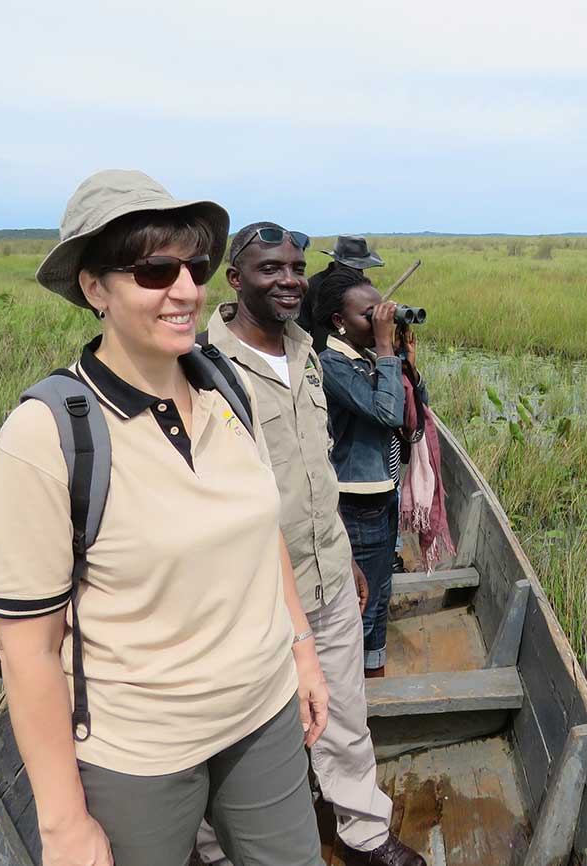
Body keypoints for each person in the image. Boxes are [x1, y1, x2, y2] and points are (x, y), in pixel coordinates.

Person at [0, 170, 327, 866]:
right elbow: (27, 649)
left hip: (263, 715)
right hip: (138, 751)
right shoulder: (49, 434)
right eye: (152, 270)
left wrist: (303, 651)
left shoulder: (224, 384)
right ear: (94, 288)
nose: (185, 291)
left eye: (194, 267)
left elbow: (263, 537)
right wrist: (63, 823)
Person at [197, 222, 427, 866]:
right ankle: (217, 849)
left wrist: (346, 553)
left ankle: (364, 831)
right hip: (254, 592)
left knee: (348, 712)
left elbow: (316, 474)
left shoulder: (308, 351)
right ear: (235, 280)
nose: (289, 279)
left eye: (296, 267)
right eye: (270, 269)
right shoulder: (202, 365)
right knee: (240, 729)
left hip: (328, 572)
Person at [313, 271, 426, 679]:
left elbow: (413, 416)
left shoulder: (369, 360)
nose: (381, 320)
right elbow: (386, 413)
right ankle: (353, 683)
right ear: (339, 322)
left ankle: (372, 672)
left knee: (380, 591)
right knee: (362, 598)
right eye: (370, 315)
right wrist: (383, 348)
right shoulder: (333, 364)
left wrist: (403, 363)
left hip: (383, 490)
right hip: (355, 500)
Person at [298, 235, 385, 341]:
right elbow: (301, 326)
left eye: (359, 267)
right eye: (351, 267)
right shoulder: (314, 285)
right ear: (337, 262)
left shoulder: (362, 286)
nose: (357, 272)